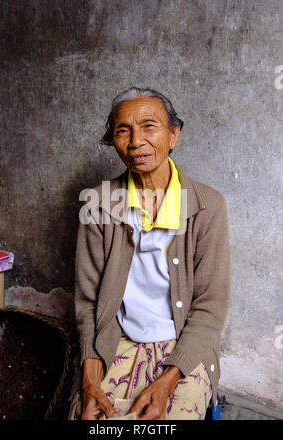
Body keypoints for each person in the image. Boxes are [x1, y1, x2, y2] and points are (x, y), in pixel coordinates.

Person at [67, 87, 231, 420]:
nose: (135, 141)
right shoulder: (98, 204)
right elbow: (87, 303)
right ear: (113, 141)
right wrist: (89, 383)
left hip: (183, 345)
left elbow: (210, 309)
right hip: (115, 340)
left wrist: (167, 382)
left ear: (173, 135)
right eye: (122, 130)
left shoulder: (207, 206)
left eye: (148, 126)